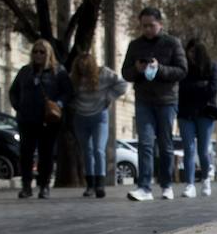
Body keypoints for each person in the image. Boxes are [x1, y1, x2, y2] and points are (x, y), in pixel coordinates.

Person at [120, 6, 187, 201]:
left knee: (165, 144)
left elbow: (182, 70)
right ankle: (144, 187)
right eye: (144, 26)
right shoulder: (135, 45)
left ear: (160, 24)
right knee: (145, 142)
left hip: (166, 100)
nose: (147, 29)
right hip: (144, 100)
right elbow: (125, 72)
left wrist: (160, 69)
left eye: (151, 25)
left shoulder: (172, 43)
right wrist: (137, 69)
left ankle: (166, 185)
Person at [10, 39, 72, 199]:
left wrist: (58, 104)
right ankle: (26, 186)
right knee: (26, 153)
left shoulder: (58, 72)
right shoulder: (25, 71)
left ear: (48, 53)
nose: (38, 55)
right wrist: (19, 106)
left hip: (48, 120)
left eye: (42, 52)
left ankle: (44, 186)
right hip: (27, 119)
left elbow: (68, 92)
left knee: (46, 154)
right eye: (35, 51)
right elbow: (13, 91)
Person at [69, 51, 128, 199]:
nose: (83, 69)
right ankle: (90, 185)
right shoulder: (73, 78)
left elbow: (122, 84)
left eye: (85, 67)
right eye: (80, 67)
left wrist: (109, 96)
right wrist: (72, 103)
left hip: (99, 117)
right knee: (87, 151)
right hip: (80, 117)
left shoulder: (104, 73)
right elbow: (67, 93)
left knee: (98, 149)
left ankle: (100, 185)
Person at [177, 38, 217, 198]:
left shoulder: (212, 67)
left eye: (194, 51)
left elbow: (213, 89)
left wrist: (192, 89)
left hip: (205, 113)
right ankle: (189, 185)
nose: (190, 54)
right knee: (188, 149)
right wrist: (201, 87)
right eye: (188, 51)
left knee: (203, 150)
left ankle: (205, 180)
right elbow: (180, 88)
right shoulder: (183, 68)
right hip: (185, 113)